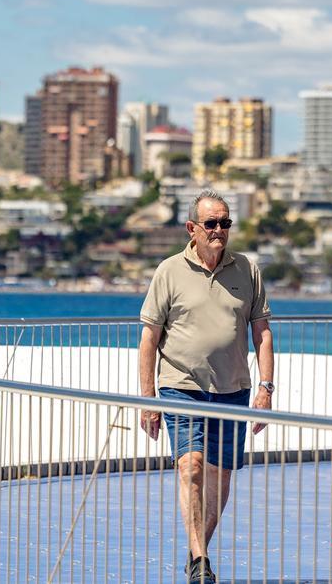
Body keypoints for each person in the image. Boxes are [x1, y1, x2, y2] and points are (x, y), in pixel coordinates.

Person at [138, 190, 275, 584]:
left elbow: (262, 333)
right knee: (191, 467)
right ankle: (200, 561)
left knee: (220, 476)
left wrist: (265, 388)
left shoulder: (248, 270)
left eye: (225, 223)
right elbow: (149, 338)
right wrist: (148, 400)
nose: (219, 231)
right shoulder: (169, 270)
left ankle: (198, 550)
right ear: (192, 228)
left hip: (233, 389)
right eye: (211, 224)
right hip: (181, 386)